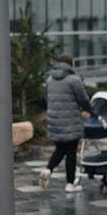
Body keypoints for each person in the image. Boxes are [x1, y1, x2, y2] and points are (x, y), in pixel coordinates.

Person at [39, 53, 94, 192]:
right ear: (71, 64)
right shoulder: (74, 80)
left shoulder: (50, 79)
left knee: (60, 149)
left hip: (55, 121)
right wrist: (91, 110)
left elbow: (46, 98)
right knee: (70, 152)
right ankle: (70, 184)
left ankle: (48, 170)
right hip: (71, 121)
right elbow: (83, 99)